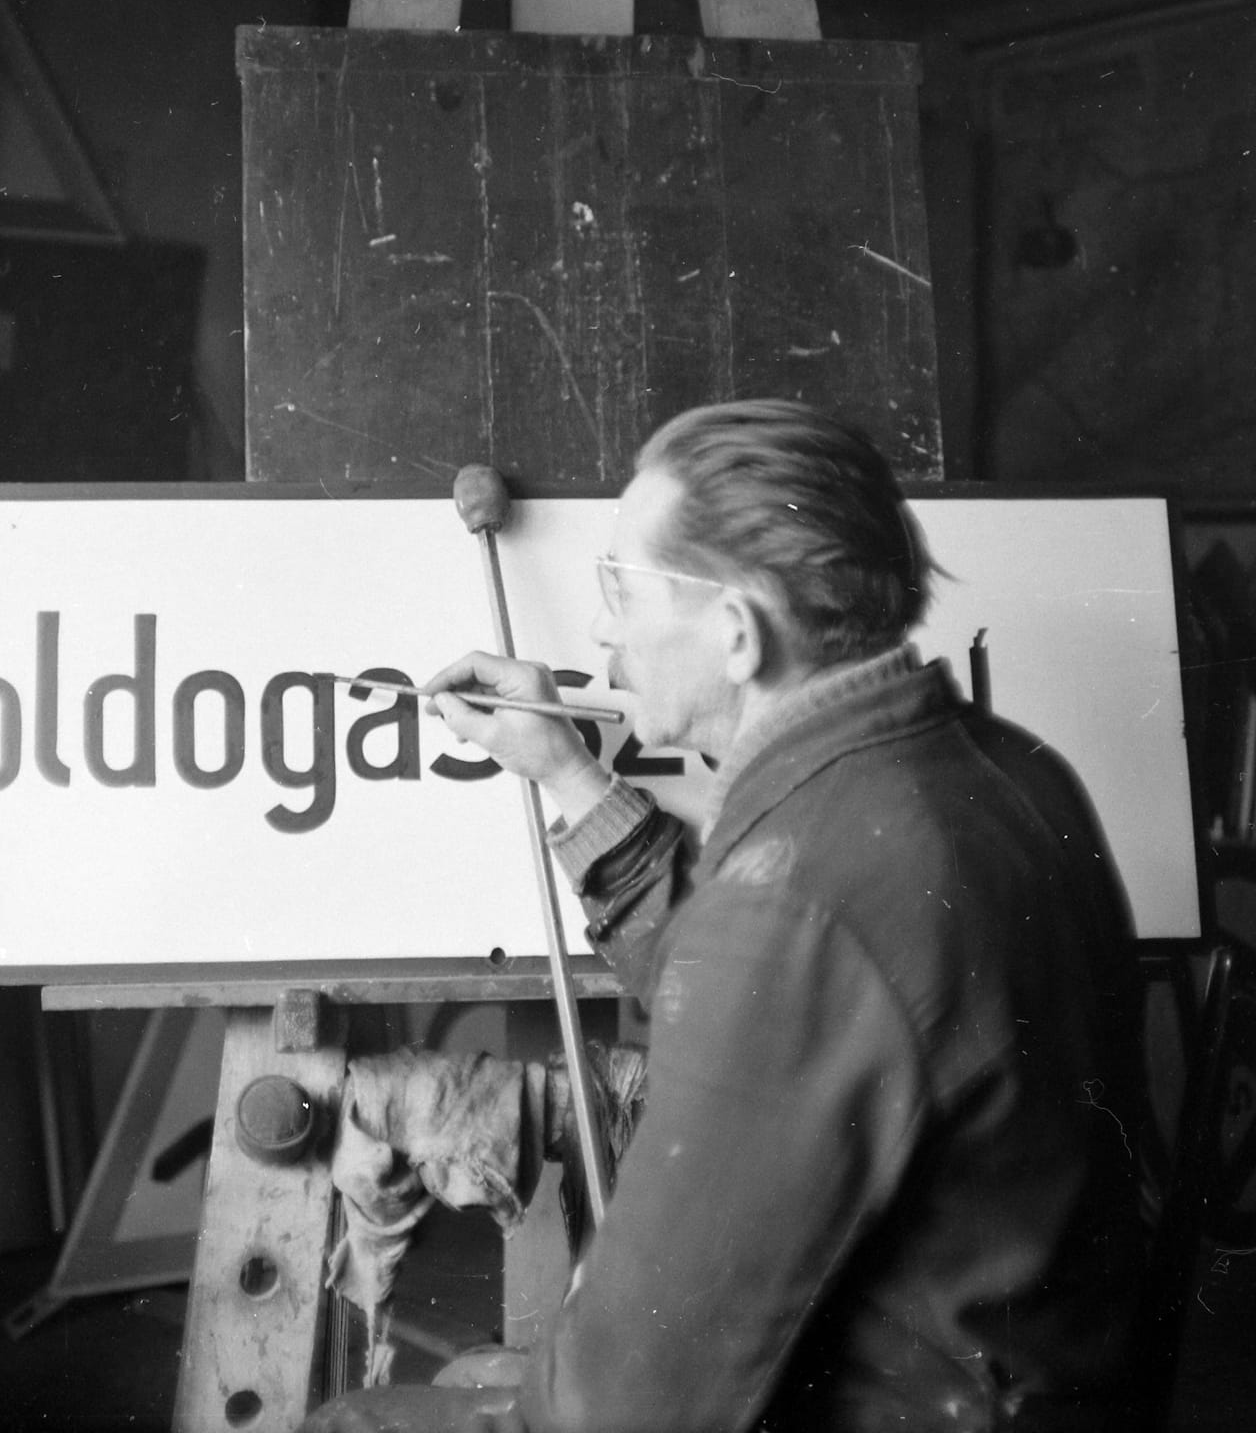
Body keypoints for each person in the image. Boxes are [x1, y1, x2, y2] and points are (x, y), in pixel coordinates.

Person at [304, 398, 1148, 1433]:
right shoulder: (1008, 771)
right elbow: (776, 1012)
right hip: (1013, 1376)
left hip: (899, 1403)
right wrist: (569, 773)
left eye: (621, 585)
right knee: (478, 1369)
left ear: (737, 633)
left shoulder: (803, 901)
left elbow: (628, 1410)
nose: (604, 626)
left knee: (355, 1420)